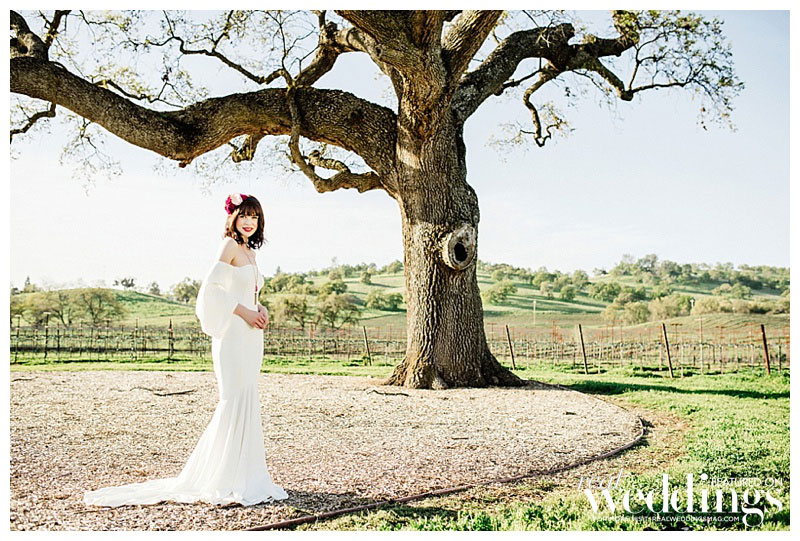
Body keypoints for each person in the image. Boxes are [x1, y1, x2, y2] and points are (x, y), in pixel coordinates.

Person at [84, 193, 288, 507]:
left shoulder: (249, 251)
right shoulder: (229, 246)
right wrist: (245, 312)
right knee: (233, 399)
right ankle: (220, 476)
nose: (249, 222)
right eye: (244, 215)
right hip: (233, 333)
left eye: (255, 216)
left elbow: (246, 291)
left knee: (247, 397)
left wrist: (260, 308)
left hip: (251, 336)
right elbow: (211, 291)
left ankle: (246, 475)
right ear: (232, 218)